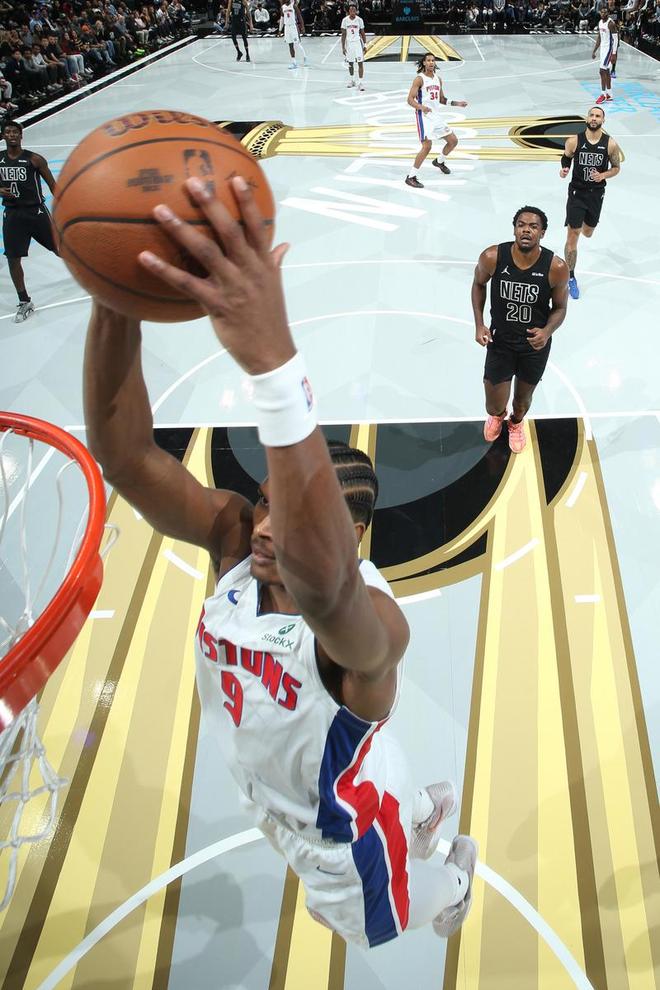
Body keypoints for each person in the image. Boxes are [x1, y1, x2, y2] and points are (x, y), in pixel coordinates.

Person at [83, 174, 479, 949]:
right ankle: (420, 808)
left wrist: (273, 363)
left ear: (352, 535)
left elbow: (327, 590)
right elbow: (125, 456)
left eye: (284, 516)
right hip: (306, 787)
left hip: (342, 845)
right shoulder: (237, 543)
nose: (263, 528)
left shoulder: (372, 632)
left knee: (372, 923)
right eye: (263, 503)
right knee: (365, 763)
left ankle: (453, 873)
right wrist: (114, 296)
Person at [472, 206, 568, 453]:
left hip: (533, 347)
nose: (526, 230)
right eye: (521, 225)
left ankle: (515, 423)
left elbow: (560, 308)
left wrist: (547, 331)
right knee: (493, 406)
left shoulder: (556, 267)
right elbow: (478, 284)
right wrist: (479, 323)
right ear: (514, 229)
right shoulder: (492, 257)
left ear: (542, 233)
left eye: (533, 226)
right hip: (501, 342)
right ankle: (498, 416)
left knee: (522, 402)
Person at [560, 105, 621, 299]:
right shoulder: (574, 141)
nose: (594, 118)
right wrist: (565, 169)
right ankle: (570, 276)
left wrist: (603, 175)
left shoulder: (610, 144)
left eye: (598, 116)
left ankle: (584, 226)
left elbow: (616, 167)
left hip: (596, 194)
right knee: (573, 234)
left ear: (603, 120)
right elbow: (566, 158)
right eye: (591, 115)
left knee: (588, 232)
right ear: (587, 118)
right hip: (577, 193)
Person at [0, 120, 58, 323]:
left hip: (36, 212)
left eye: (15, 131)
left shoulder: (35, 159)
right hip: (13, 215)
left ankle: (96, 273)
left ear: (21, 135)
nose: (12, 135)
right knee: (13, 259)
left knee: (61, 249)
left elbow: (53, 185)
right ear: (3, 136)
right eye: (8, 132)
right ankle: (24, 301)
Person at [404, 53, 467, 189]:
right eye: (428, 60)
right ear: (424, 63)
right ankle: (411, 177)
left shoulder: (438, 79)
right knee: (427, 146)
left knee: (453, 141)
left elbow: (442, 99)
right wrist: (421, 107)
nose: (431, 62)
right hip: (424, 117)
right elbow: (410, 99)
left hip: (436, 116)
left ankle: (439, 161)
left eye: (433, 60)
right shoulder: (419, 79)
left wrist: (457, 103)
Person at [592, 5, 617, 102]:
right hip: (603, 49)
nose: (603, 14)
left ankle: (603, 94)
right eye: (602, 12)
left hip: (609, 49)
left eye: (605, 12)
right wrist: (594, 50)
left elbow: (616, 39)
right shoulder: (600, 22)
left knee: (601, 71)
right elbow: (599, 37)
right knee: (606, 72)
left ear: (608, 13)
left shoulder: (611, 24)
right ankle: (610, 94)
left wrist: (614, 53)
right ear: (600, 13)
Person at [341, 3, 366, 90]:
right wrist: (343, 47)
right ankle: (352, 80)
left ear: (356, 11)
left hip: (357, 43)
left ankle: (360, 83)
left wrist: (365, 45)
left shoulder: (359, 20)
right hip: (349, 44)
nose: (352, 11)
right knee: (350, 63)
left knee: (360, 63)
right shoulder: (345, 20)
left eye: (354, 10)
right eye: (351, 10)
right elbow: (343, 34)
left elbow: (362, 33)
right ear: (348, 11)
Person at [280, 0, 307, 68]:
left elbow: (299, 17)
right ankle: (294, 62)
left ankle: (304, 57)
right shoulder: (283, 7)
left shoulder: (294, 6)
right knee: (290, 45)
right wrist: (280, 29)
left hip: (293, 27)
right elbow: (282, 19)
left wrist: (302, 27)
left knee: (297, 44)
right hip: (287, 27)